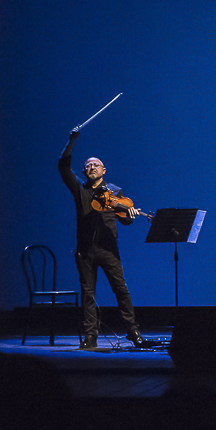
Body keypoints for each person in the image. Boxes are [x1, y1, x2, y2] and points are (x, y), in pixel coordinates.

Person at [59, 130, 143, 349]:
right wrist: (72, 141)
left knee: (121, 289)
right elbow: (63, 166)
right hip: (85, 249)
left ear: (104, 170)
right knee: (88, 293)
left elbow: (125, 220)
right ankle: (90, 336)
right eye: (88, 165)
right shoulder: (80, 189)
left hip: (108, 248)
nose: (92, 167)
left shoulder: (114, 191)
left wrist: (131, 215)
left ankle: (133, 332)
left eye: (96, 164)